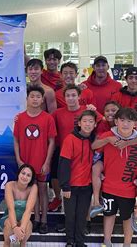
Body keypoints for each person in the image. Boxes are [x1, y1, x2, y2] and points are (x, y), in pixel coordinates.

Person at [91, 108, 137, 247]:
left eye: (129, 121)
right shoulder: (108, 135)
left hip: (128, 189)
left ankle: (127, 244)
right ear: (116, 121)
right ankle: (107, 241)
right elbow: (95, 150)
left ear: (134, 123)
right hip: (109, 186)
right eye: (122, 120)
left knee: (127, 218)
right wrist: (98, 168)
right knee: (109, 214)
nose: (125, 124)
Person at [48, 84, 101, 213]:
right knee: (57, 176)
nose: (70, 98)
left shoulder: (87, 111)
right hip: (63, 151)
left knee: (82, 186)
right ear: (64, 97)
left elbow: (104, 121)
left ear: (79, 96)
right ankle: (59, 198)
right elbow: (45, 123)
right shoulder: (57, 113)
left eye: (73, 95)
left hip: (83, 152)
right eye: (67, 96)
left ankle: (86, 218)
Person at [13, 85, 56, 234]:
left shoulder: (48, 118)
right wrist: (19, 159)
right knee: (32, 191)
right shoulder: (20, 118)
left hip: (41, 161)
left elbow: (52, 141)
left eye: (38, 97)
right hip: (25, 162)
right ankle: (36, 218)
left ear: (42, 99)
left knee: (43, 190)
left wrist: (47, 162)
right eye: (32, 96)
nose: (35, 99)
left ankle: (44, 220)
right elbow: (16, 140)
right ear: (27, 99)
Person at [58, 110, 97, 247]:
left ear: (95, 124)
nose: (87, 124)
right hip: (71, 186)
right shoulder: (70, 139)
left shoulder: (94, 140)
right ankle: (70, 241)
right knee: (70, 215)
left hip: (86, 186)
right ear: (79, 123)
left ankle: (80, 242)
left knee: (81, 216)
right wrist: (65, 186)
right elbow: (63, 163)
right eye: (85, 121)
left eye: (91, 121)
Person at [0, 164, 38, 247]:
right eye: (23, 173)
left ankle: (22, 243)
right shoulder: (9, 185)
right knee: (9, 227)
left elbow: (28, 210)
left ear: (31, 178)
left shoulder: (33, 187)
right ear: (18, 174)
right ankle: (7, 243)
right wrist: (15, 228)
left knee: (27, 227)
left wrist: (21, 229)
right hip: (9, 218)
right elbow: (11, 209)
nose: (24, 177)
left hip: (24, 220)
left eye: (28, 175)